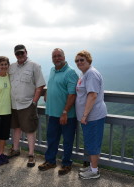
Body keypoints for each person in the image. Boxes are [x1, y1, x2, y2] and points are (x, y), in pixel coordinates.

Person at [0, 45, 46, 167]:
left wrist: (34, 102)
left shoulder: (34, 66)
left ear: (26, 52)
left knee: (30, 130)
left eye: (22, 53)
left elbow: (40, 86)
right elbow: (2, 74)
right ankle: (15, 149)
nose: (20, 56)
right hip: (13, 104)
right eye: (17, 54)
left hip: (27, 104)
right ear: (15, 55)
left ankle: (31, 155)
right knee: (16, 128)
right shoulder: (12, 67)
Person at [38, 48, 78, 175]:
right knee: (52, 139)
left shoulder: (71, 73)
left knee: (67, 140)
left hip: (66, 115)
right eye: (54, 56)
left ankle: (66, 164)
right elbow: (52, 84)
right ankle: (50, 161)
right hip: (52, 113)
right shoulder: (52, 70)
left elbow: (72, 95)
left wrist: (65, 112)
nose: (57, 58)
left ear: (64, 56)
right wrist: (47, 92)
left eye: (59, 56)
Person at [75, 50, 107, 179]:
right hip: (90, 116)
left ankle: (94, 172)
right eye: (77, 61)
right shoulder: (85, 74)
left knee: (93, 143)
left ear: (89, 60)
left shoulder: (91, 74)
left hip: (93, 116)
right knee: (90, 142)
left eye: (82, 60)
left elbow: (92, 95)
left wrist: (84, 115)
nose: (79, 62)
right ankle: (93, 167)